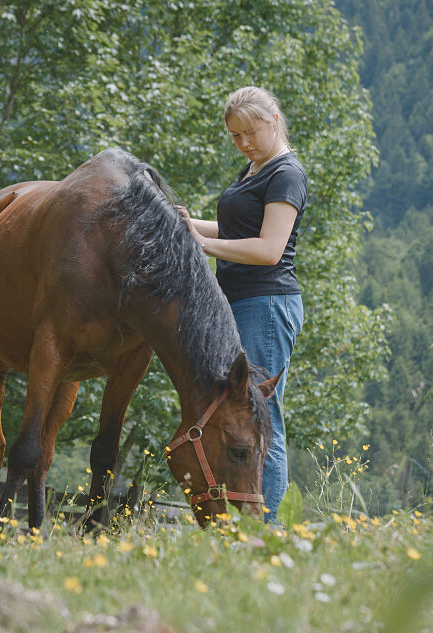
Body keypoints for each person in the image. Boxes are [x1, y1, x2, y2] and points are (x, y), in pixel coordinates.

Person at [178, 86, 307, 520]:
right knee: (240, 417)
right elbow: (237, 227)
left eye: (251, 132)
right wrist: (185, 222)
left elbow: (270, 248)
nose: (244, 142)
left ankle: (265, 529)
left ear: (274, 120)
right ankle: (245, 524)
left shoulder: (286, 174)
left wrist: (203, 246)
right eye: (235, 135)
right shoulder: (255, 170)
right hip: (239, 302)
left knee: (259, 423)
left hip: (267, 305)